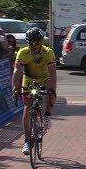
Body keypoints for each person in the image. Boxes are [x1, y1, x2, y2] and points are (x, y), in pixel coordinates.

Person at [11, 27, 57, 155]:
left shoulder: (48, 53)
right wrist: (15, 89)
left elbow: (52, 73)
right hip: (29, 80)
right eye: (30, 43)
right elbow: (17, 72)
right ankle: (27, 141)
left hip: (45, 78)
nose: (33, 46)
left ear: (41, 42)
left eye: (36, 43)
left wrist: (52, 89)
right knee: (27, 108)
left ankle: (47, 114)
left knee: (51, 91)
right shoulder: (23, 53)